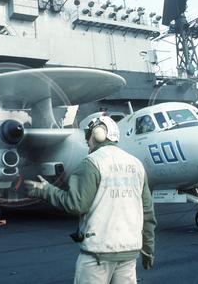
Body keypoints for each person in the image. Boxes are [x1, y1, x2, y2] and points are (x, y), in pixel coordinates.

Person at [24, 115, 156, 284]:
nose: (87, 140)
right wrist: (148, 250)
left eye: (89, 135)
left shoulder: (92, 162)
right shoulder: (136, 165)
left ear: (98, 134)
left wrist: (45, 190)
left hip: (98, 254)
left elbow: (75, 204)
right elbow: (148, 214)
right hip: (129, 253)